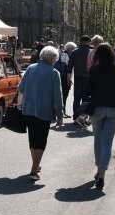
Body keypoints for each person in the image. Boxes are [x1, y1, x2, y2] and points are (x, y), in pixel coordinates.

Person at [17, 46, 64, 181]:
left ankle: (35, 165)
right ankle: (33, 170)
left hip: (28, 110)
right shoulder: (54, 73)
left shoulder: (31, 68)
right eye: (55, 58)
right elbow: (57, 97)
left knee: (33, 139)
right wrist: (60, 116)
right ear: (51, 59)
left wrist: (20, 104)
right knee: (41, 141)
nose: (56, 60)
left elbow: (21, 88)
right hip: (44, 111)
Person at [85, 43, 115, 189]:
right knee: (107, 143)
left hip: (97, 108)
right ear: (112, 55)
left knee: (98, 140)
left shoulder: (94, 70)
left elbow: (88, 90)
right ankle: (102, 173)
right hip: (114, 109)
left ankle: (99, 170)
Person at [67, 35, 91, 126]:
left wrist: (68, 79)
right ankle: (83, 117)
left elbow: (69, 67)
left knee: (76, 98)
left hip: (78, 78)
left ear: (81, 42)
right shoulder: (90, 52)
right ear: (88, 42)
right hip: (88, 79)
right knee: (86, 99)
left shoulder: (74, 52)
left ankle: (76, 117)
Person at [54, 42, 75, 118]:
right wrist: (68, 80)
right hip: (64, 78)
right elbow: (67, 69)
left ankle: (61, 112)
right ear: (69, 48)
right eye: (73, 48)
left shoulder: (64, 54)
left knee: (63, 95)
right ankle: (61, 112)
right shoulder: (65, 55)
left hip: (63, 77)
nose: (73, 50)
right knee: (64, 95)